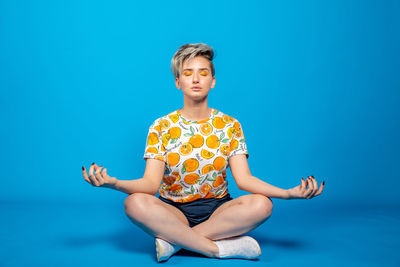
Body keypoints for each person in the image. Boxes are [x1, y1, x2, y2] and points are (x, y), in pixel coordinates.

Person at [82, 43, 325, 262]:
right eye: (188, 74)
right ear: (178, 82)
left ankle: (174, 244)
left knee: (262, 205)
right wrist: (113, 183)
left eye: (203, 73)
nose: (196, 79)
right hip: (172, 210)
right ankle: (216, 249)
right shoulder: (161, 126)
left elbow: (245, 180)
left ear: (213, 81)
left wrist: (287, 193)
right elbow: (149, 184)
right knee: (134, 203)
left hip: (218, 211)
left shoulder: (230, 125)